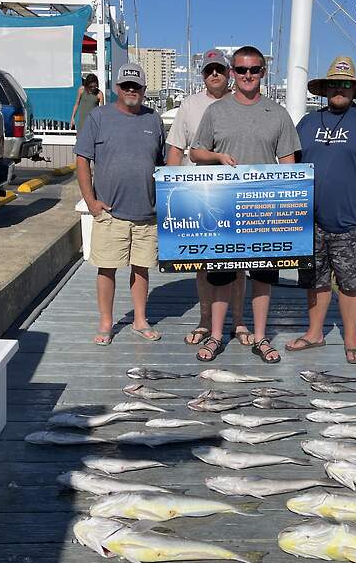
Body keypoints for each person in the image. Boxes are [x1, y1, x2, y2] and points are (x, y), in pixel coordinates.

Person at [190, 45, 300, 364]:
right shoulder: (216, 110)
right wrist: (217, 157)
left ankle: (262, 337)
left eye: (253, 70)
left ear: (263, 73)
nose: (247, 75)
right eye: (240, 70)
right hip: (222, 209)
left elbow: (290, 164)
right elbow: (196, 152)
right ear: (232, 73)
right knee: (221, 277)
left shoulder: (278, 113)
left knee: (263, 277)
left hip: (264, 211)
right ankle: (215, 335)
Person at [288, 56, 356, 364]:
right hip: (312, 222)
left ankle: (351, 340)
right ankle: (314, 333)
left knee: (351, 283)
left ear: (354, 89)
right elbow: (289, 165)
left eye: (345, 84)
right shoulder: (308, 123)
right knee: (316, 280)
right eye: (334, 83)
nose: (339, 89)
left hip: (354, 224)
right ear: (325, 88)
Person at [165, 48, 252, 348]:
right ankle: (205, 321)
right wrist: (167, 197)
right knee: (203, 265)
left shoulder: (241, 101)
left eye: (219, 69)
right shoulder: (189, 105)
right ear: (202, 75)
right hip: (197, 195)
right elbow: (176, 150)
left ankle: (239, 320)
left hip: (235, 195)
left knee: (239, 264)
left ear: (228, 72)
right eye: (208, 70)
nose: (214, 74)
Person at [75, 63, 166, 346]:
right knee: (107, 268)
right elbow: (81, 159)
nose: (131, 91)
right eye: (126, 86)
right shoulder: (98, 117)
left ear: (143, 90)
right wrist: (91, 202)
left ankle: (140, 319)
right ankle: (106, 322)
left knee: (142, 269)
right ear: (116, 89)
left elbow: (162, 164)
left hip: (147, 213)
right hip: (110, 213)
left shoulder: (154, 120)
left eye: (136, 87)